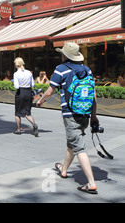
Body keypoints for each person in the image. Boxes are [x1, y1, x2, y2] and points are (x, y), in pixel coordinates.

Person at [37, 42, 100, 195]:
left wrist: (40, 101)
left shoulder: (61, 69)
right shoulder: (87, 69)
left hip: (70, 113)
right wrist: (94, 116)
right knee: (72, 143)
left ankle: (91, 183)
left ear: (65, 55)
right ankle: (64, 170)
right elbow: (94, 95)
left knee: (79, 147)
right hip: (85, 113)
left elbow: (50, 91)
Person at [13, 57, 38, 136]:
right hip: (28, 92)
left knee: (17, 113)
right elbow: (32, 84)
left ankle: (18, 129)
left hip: (21, 92)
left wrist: (13, 83)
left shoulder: (16, 74)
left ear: (16, 65)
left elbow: (16, 86)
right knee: (27, 112)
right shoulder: (29, 73)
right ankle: (34, 124)